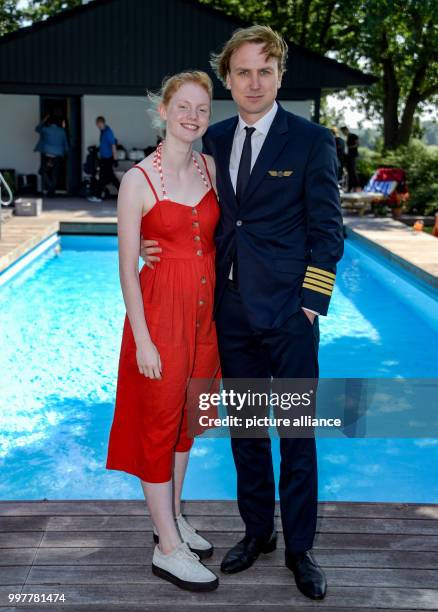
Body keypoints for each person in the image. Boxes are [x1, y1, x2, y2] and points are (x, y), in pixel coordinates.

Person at [141, 25, 344, 601]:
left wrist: (311, 304)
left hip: (289, 316)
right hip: (230, 314)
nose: (254, 82)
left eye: (265, 71)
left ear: (280, 76)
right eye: (242, 72)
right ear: (228, 79)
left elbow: (329, 233)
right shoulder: (215, 139)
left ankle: (301, 548)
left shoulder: (311, 140)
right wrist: (149, 243)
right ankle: (259, 533)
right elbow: (180, 203)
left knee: (296, 435)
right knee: (248, 433)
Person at [105, 71, 220, 592]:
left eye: (202, 108)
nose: (193, 116)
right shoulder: (138, 181)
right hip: (162, 320)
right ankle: (166, 547)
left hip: (205, 320)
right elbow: (128, 267)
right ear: (164, 111)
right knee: (157, 428)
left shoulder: (211, 167)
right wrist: (145, 339)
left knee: (186, 425)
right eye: (184, 107)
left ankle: (173, 518)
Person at [34, 111, 69, 197]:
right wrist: (65, 153)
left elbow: (37, 128)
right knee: (55, 174)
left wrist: (44, 120)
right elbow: (66, 144)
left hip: (47, 154)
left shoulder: (46, 129)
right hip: (57, 155)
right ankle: (51, 191)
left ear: (49, 122)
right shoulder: (62, 131)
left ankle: (50, 188)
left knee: (42, 171)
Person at [88, 116, 120, 203]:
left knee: (102, 177)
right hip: (104, 158)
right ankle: (124, 194)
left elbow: (113, 145)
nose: (97, 126)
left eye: (98, 124)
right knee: (112, 178)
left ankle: (98, 196)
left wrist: (115, 159)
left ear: (101, 123)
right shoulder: (103, 132)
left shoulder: (108, 132)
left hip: (107, 159)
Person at [340, 125, 361, 191]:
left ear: (346, 130)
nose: (343, 133)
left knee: (352, 171)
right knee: (349, 172)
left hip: (352, 155)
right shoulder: (347, 137)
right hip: (347, 156)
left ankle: (356, 186)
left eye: (344, 131)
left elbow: (357, 144)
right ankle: (351, 187)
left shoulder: (353, 136)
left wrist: (349, 147)